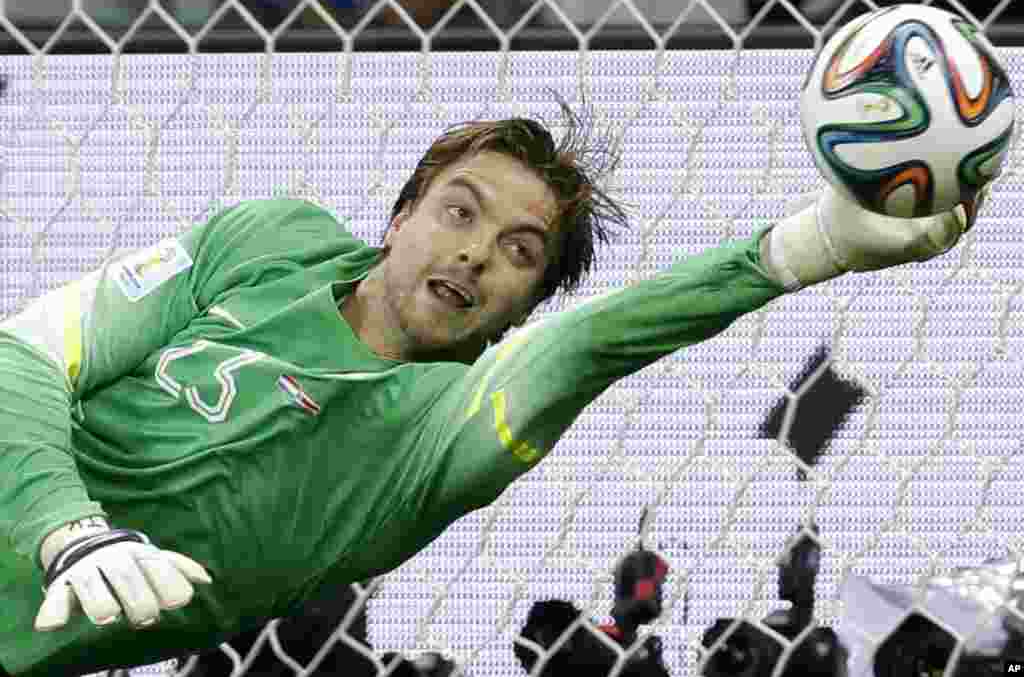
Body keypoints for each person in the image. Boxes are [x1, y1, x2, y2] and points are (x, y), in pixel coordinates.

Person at [0, 100, 977, 677]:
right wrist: (68, 526)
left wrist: (802, 249)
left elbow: (589, 344)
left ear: (519, 309)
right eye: (457, 211)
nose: (473, 251)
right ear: (399, 214)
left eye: (519, 252)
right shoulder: (268, 241)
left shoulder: (447, 433)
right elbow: (25, 358)